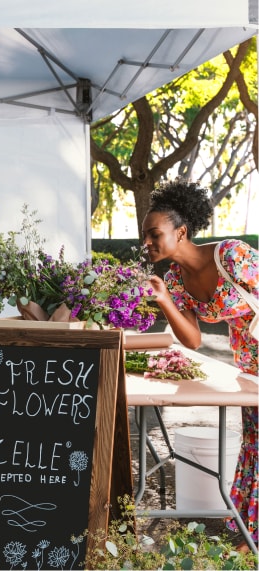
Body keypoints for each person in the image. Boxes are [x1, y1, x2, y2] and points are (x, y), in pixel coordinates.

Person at [142, 179, 258, 548]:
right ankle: (250, 529)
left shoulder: (231, 255)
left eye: (153, 234)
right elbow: (192, 339)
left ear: (181, 231)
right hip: (249, 360)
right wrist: (163, 300)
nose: (146, 242)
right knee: (255, 443)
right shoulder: (174, 280)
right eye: (144, 235)